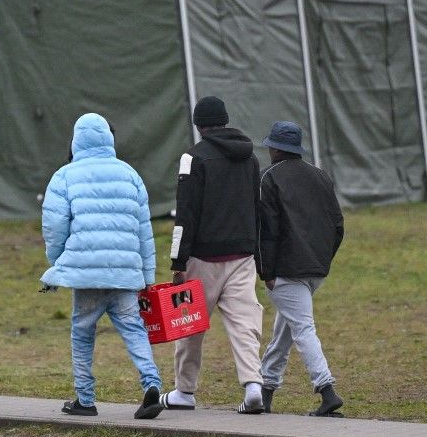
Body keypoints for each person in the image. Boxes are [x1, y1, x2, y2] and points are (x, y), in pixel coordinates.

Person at [41, 112, 165, 420]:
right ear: (109, 139)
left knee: (82, 333)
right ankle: (151, 383)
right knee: (134, 329)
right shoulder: (130, 175)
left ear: (75, 140)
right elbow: (143, 230)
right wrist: (147, 275)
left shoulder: (65, 176)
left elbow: (54, 226)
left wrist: (57, 262)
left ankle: (85, 399)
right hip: (125, 273)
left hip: (86, 275)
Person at [161, 96, 266, 414]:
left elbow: (186, 216)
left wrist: (178, 263)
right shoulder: (251, 159)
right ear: (225, 120)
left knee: (189, 325)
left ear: (199, 125)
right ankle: (252, 386)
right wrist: (258, 256)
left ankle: (185, 391)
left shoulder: (192, 158)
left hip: (203, 259)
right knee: (245, 323)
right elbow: (256, 209)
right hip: (242, 256)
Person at [257, 120, 345, 417]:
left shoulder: (269, 177)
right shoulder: (321, 176)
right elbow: (337, 225)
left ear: (274, 148)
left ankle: (326, 390)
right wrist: (323, 259)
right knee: (285, 330)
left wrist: (266, 271)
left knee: (302, 329)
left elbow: (266, 230)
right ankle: (266, 389)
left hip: (285, 270)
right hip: (316, 269)